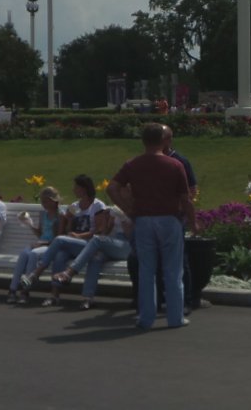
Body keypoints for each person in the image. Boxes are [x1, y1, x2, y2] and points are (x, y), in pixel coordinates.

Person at [108, 123, 197, 330]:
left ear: (143, 141)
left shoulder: (132, 164)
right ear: (164, 140)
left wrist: (128, 208)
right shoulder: (175, 165)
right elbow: (186, 199)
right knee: (173, 271)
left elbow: (112, 187)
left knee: (146, 271)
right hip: (169, 219)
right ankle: (175, 317)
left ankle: (146, 317)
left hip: (144, 220)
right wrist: (193, 222)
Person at [127, 125, 201, 312]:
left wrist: (185, 212)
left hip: (172, 216)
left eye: (167, 138)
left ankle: (184, 302)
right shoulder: (147, 162)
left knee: (176, 264)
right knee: (145, 262)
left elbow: (190, 191)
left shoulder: (179, 162)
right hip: (153, 216)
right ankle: (154, 302)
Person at [19, 174, 104, 306]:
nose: (73, 190)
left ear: (84, 188)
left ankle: (35, 273)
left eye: (76, 187)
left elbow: (99, 230)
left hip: (88, 244)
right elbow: (68, 227)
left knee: (59, 240)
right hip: (74, 243)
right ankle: (54, 295)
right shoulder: (75, 205)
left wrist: (79, 236)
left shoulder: (97, 205)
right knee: (59, 255)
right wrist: (69, 221)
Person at [52, 205, 133, 310]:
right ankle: (88, 298)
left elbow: (131, 235)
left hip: (127, 246)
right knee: (96, 257)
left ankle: (69, 272)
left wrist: (123, 218)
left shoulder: (134, 209)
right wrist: (107, 220)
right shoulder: (115, 209)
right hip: (113, 244)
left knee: (96, 240)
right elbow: (106, 232)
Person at [6, 186, 62, 304]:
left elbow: (58, 239)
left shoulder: (60, 216)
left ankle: (25, 291)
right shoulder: (44, 215)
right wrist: (30, 224)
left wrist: (42, 243)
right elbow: (41, 233)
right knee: (23, 254)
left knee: (33, 254)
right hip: (41, 244)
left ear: (53, 201)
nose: (43, 204)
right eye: (42, 201)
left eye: (46, 201)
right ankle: (12, 289)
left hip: (51, 246)